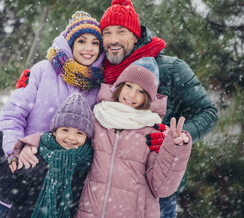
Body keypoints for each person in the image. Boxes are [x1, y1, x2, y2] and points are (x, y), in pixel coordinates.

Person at [16, 0, 218, 217]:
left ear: (135, 34)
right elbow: (74, 86)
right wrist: (36, 79)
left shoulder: (171, 68)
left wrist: (174, 137)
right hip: (98, 188)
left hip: (152, 188)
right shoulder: (103, 67)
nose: (113, 39)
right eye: (107, 33)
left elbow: (208, 112)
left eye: (121, 31)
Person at [0, 11, 105, 218]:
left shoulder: (99, 87)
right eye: (81, 41)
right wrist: (13, 151)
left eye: (95, 43)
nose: (88, 48)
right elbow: (12, 115)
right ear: (70, 43)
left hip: (63, 190)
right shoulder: (43, 70)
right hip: (24, 175)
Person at [75, 57, 192, 217]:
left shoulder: (153, 130)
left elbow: (162, 187)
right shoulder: (98, 117)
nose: (132, 94)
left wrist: (174, 150)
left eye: (141, 91)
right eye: (128, 86)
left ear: (148, 97)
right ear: (119, 86)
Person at [0, 93, 94, 218]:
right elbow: (9, 193)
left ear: (87, 137)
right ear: (54, 131)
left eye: (79, 133)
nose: (71, 137)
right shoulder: (35, 156)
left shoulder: (86, 165)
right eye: (65, 130)